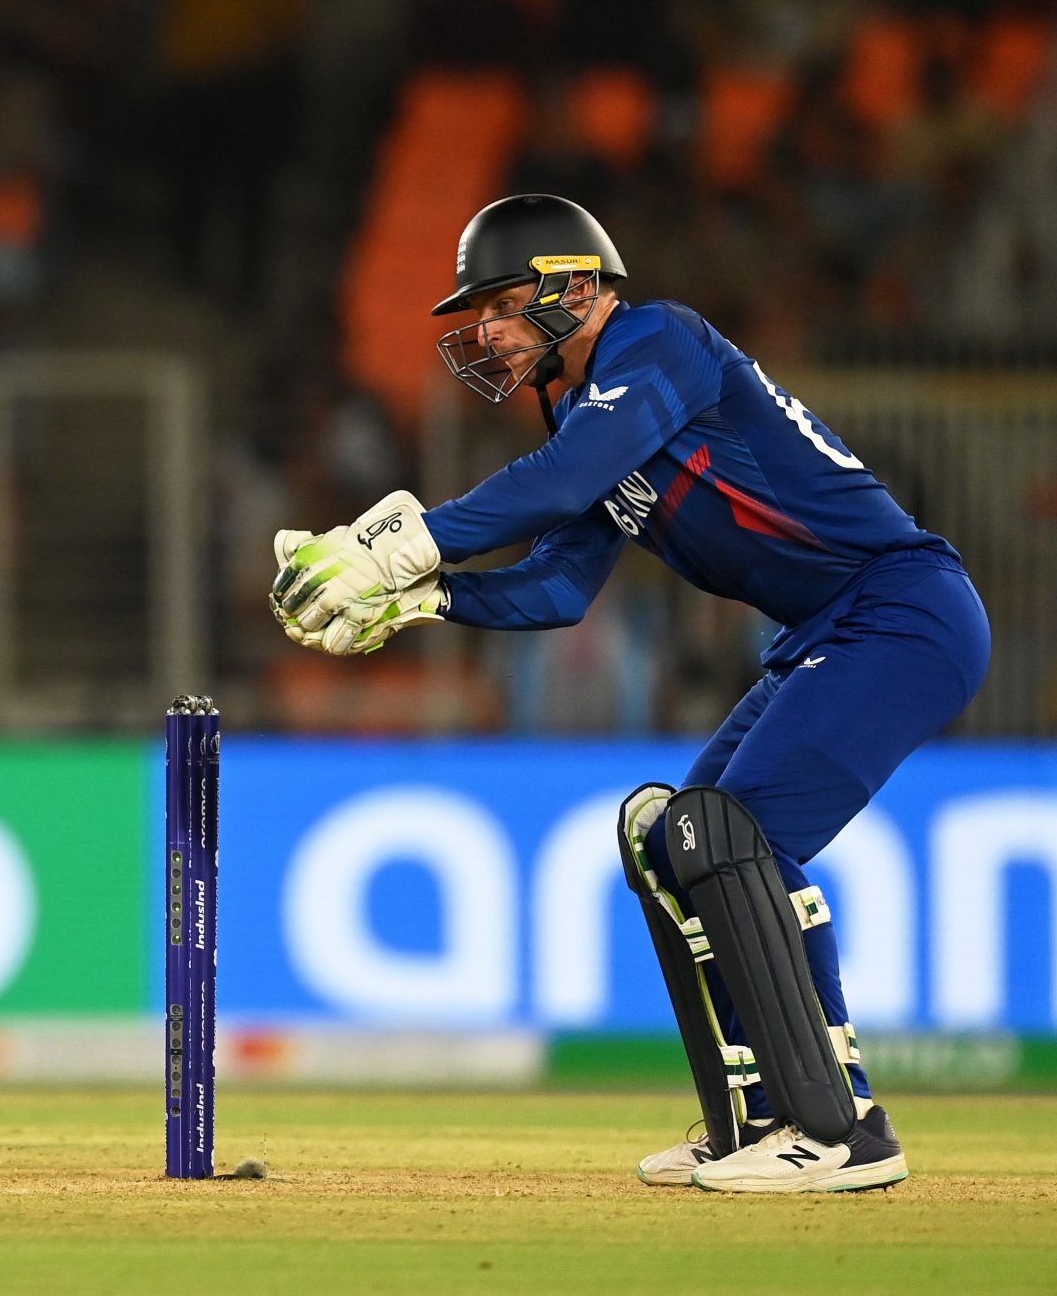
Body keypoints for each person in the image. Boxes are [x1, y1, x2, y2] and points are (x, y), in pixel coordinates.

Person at [268, 194, 987, 1194]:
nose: (486, 330)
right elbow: (559, 585)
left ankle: (842, 1126)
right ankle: (759, 1114)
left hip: (902, 612)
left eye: (503, 303)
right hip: (832, 630)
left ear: (572, 286)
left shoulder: (659, 339)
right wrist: (423, 602)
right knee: (672, 836)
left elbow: (564, 480)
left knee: (730, 829)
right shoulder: (581, 409)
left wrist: (397, 543)